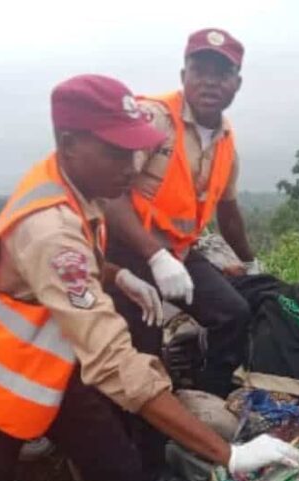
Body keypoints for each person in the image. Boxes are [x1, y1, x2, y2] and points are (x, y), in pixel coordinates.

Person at [0, 74, 299, 481]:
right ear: (70, 141)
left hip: (56, 359)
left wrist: (118, 276)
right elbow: (113, 360)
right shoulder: (49, 229)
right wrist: (229, 454)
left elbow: (80, 254)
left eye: (135, 150)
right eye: (116, 152)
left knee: (118, 465)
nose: (132, 167)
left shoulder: (73, 180)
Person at [104, 28, 259, 398]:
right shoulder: (153, 120)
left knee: (233, 314)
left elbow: (229, 211)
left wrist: (252, 264)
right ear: (183, 76)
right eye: (199, 70)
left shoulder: (225, 142)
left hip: (179, 253)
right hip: (127, 248)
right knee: (143, 348)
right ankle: (147, 435)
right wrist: (154, 255)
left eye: (221, 73)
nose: (209, 81)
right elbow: (109, 196)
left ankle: (205, 400)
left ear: (237, 83)